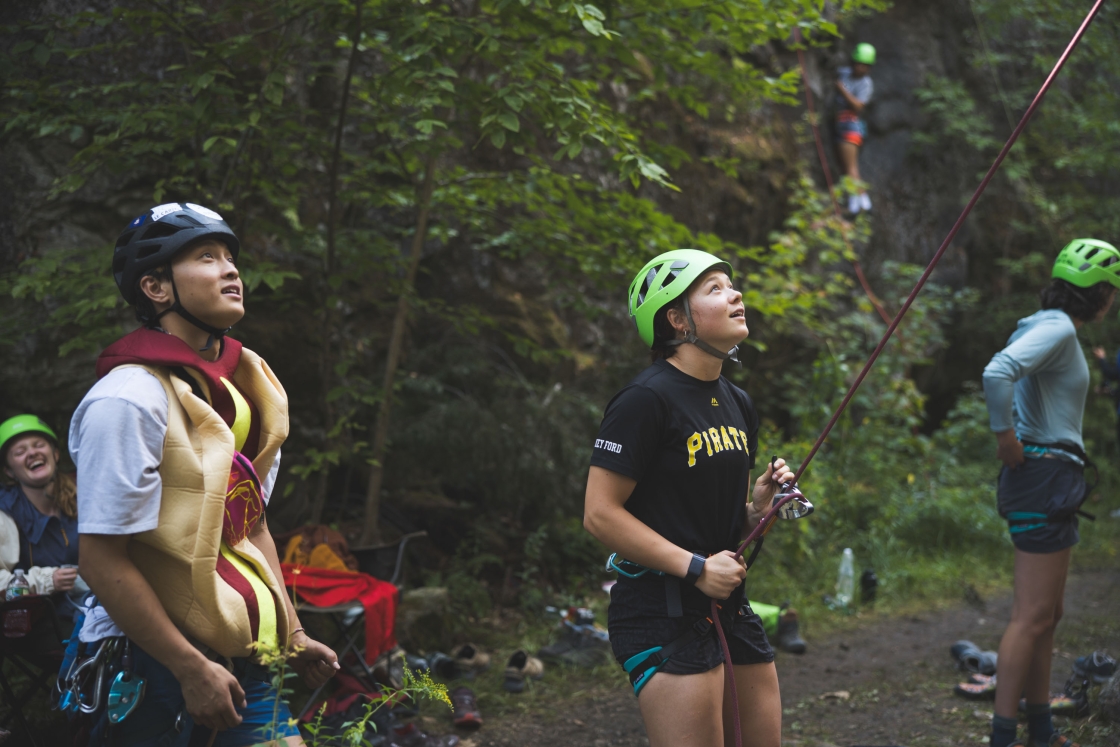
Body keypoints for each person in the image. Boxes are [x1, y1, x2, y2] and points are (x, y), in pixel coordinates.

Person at [70, 203, 338, 746]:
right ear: (157, 287)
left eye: (231, 257)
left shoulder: (245, 391)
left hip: (244, 652)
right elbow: (101, 560)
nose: (231, 269)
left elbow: (249, 526)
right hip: (151, 664)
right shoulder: (127, 400)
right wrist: (190, 668)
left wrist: (293, 631)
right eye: (206, 256)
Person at [583, 249, 794, 747]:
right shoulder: (644, 400)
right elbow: (599, 514)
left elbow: (707, 523)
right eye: (715, 288)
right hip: (661, 610)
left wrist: (756, 510)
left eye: (730, 285)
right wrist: (697, 567)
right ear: (676, 319)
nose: (736, 294)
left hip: (726, 607)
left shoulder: (738, 402)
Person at [981, 238, 1120, 747]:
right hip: (1042, 474)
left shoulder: (1046, 325)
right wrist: (1005, 437)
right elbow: (997, 372)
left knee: (1048, 614)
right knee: (1032, 616)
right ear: (1102, 294)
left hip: (1048, 477)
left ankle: (1041, 730)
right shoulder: (1058, 328)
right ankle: (1003, 737)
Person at [0, 414, 81, 605]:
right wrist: (43, 581)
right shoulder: (4, 514)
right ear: (9, 471)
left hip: (95, 608)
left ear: (56, 454)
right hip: (41, 622)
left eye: (38, 445)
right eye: (19, 452)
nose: (32, 453)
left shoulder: (86, 496)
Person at [835, 43, 876, 215]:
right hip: (841, 124)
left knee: (851, 168)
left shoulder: (866, 84)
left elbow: (858, 106)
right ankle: (861, 203)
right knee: (848, 167)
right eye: (858, 63)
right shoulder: (845, 73)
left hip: (851, 126)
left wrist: (842, 90)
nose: (860, 67)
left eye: (864, 65)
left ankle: (861, 204)